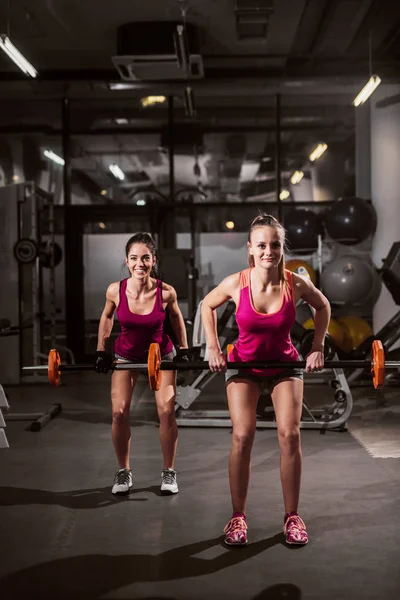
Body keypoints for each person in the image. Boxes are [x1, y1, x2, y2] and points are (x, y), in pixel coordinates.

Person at [201, 214, 331, 546]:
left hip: (284, 365)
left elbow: (323, 306)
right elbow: (207, 305)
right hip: (244, 366)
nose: (268, 251)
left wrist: (317, 347)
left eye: (274, 245)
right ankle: (237, 518)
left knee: (290, 435)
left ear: (281, 247)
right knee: (242, 436)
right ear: (250, 249)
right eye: (261, 245)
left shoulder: (294, 283)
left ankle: (292, 516)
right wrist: (213, 348)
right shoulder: (236, 283)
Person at [94, 232, 188, 496]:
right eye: (134, 258)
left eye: (145, 258)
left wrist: (184, 349)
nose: (140, 264)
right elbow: (106, 317)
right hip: (126, 356)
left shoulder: (166, 292)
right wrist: (101, 350)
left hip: (162, 357)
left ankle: (169, 471)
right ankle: (123, 472)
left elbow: (177, 319)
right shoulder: (115, 290)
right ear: (127, 261)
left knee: (166, 412)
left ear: (153, 260)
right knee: (119, 412)